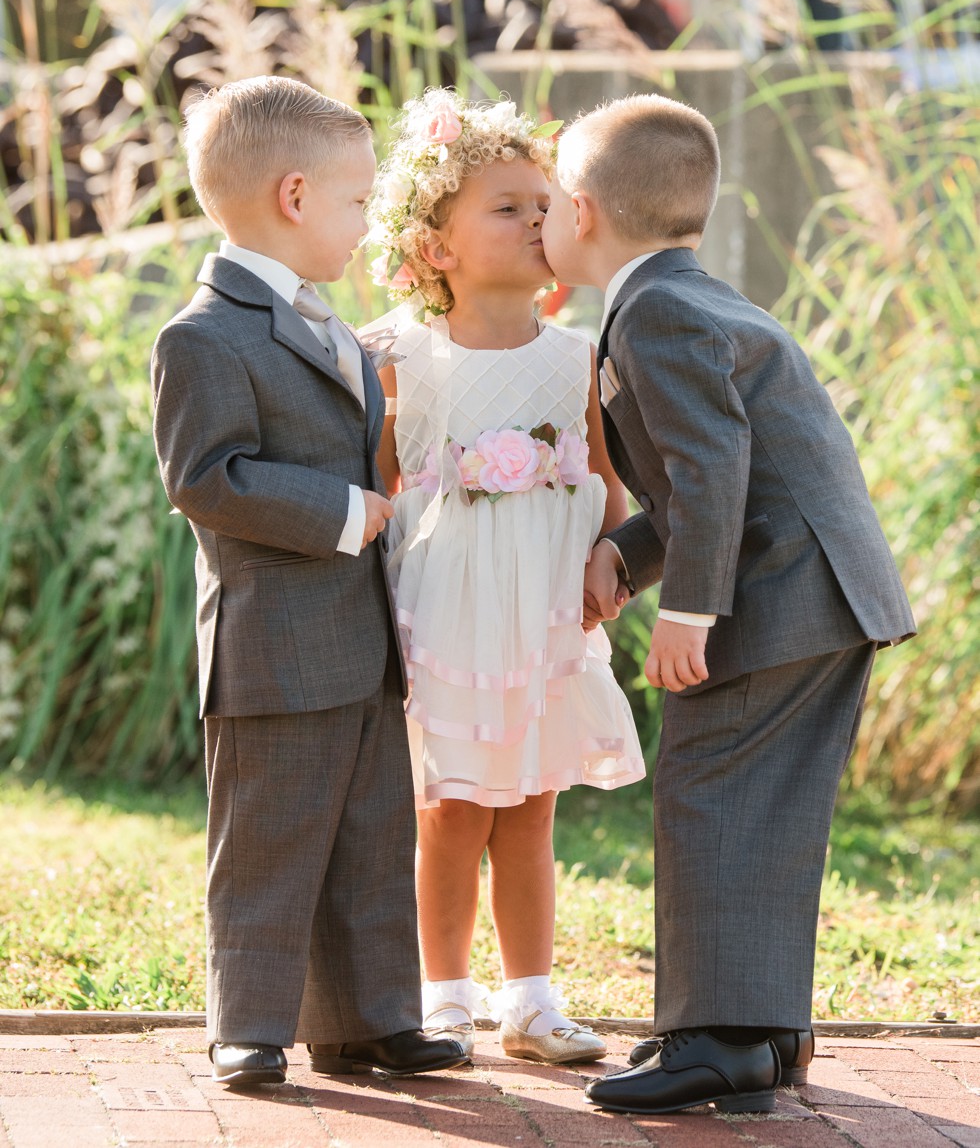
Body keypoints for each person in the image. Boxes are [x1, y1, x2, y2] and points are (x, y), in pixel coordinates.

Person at [541, 93, 915, 1117]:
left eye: (544, 206)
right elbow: (714, 470)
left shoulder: (653, 311)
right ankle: (758, 1029)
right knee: (759, 806)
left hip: (778, 592)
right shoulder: (692, 295)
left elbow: (711, 469)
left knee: (707, 788)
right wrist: (626, 552)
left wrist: (687, 612)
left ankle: (718, 1038)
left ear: (580, 212)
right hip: (821, 585)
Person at [151, 77, 467, 1089]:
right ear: (293, 196)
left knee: (368, 838)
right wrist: (342, 511)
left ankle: (370, 1019)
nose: (364, 220)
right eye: (353, 200)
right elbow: (205, 478)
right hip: (274, 639)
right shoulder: (202, 336)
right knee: (269, 843)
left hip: (358, 636)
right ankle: (249, 1024)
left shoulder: (327, 321)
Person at [364, 89, 645, 1067]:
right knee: (449, 813)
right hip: (445, 616)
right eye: (506, 206)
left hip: (542, 619)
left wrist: (614, 558)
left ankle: (529, 997)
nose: (536, 220)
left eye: (543, 203)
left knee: (530, 808)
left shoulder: (578, 358)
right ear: (434, 246)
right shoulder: (399, 357)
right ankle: (440, 995)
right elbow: (375, 489)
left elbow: (606, 487)